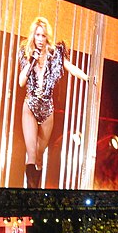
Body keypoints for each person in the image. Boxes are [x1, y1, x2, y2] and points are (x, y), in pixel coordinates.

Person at [18, 16, 89, 188]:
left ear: (47, 36)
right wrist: (31, 62)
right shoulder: (27, 54)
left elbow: (70, 67)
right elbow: (21, 82)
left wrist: (87, 77)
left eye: (43, 35)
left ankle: (37, 194)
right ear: (33, 36)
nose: (40, 39)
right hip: (30, 106)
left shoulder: (54, 54)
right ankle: (30, 193)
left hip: (47, 110)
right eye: (37, 35)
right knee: (32, 154)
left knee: (40, 155)